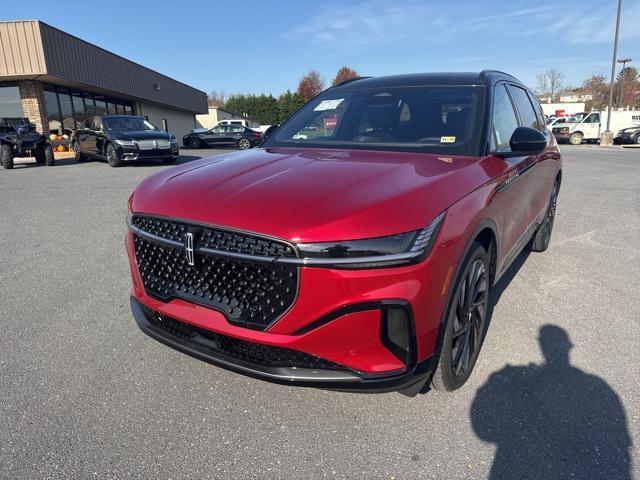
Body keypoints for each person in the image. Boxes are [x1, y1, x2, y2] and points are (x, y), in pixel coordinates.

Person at [471, 325, 631, 479]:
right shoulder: (599, 386)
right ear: (569, 347)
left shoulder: (597, 387)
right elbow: (620, 450)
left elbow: (483, 429)